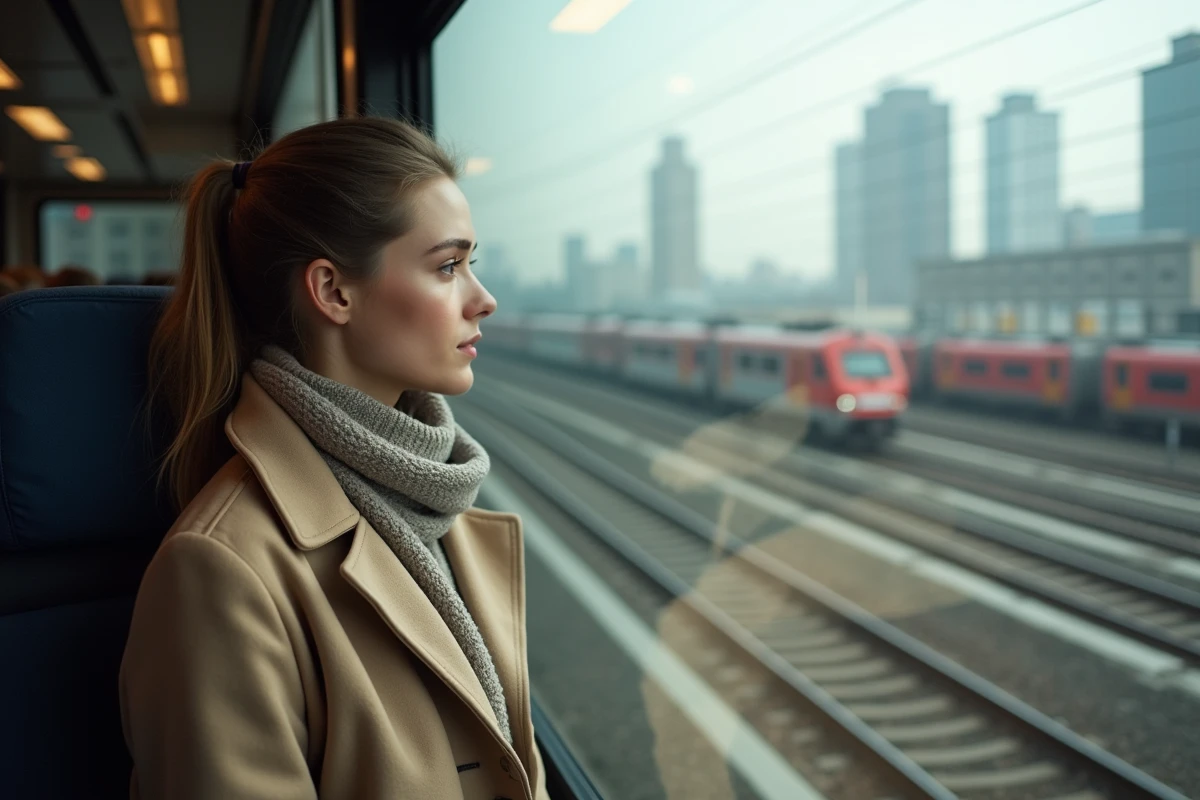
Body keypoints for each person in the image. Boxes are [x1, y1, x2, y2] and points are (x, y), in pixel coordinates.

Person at [121, 117, 549, 800]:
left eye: (472, 264)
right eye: (448, 266)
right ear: (333, 292)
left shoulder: (438, 503)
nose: (484, 299)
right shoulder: (219, 568)